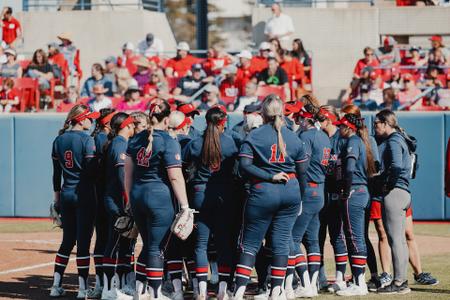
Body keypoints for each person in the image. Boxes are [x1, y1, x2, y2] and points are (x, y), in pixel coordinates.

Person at [233, 95, 308, 300]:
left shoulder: (255, 135)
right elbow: (303, 172)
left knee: (250, 244)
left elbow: (244, 166)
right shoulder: (294, 136)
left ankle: (239, 292)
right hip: (290, 191)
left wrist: (269, 175)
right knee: (282, 242)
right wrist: (300, 197)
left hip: (264, 191)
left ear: (262, 113)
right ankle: (277, 290)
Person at [125, 100, 191, 300]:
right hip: (158, 198)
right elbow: (175, 176)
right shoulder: (169, 141)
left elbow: (127, 172)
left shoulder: (136, 139)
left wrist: (129, 199)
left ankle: (139, 290)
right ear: (168, 117)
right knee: (156, 247)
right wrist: (185, 206)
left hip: (137, 195)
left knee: (148, 244)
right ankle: (155, 293)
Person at [182, 107, 238, 300]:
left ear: (205, 122)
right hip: (224, 195)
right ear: (223, 123)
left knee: (200, 244)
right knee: (224, 243)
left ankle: (202, 290)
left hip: (200, 193)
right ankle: (223, 288)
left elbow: (181, 165)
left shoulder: (196, 142)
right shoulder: (231, 142)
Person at [50, 104, 99, 298]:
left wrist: (56, 200)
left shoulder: (59, 140)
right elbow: (91, 171)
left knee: (67, 242)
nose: (92, 121)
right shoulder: (87, 140)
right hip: (84, 194)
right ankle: (82, 289)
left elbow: (56, 174)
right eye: (89, 118)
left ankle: (55, 285)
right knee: (83, 245)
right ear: (81, 119)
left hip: (66, 194)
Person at [286, 103, 331, 298]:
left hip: (308, 190)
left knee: (292, 239)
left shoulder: (306, 136)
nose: (298, 122)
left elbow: (301, 166)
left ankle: (304, 282)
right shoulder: (324, 136)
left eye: (300, 118)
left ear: (306, 118)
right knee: (312, 240)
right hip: (319, 190)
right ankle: (312, 283)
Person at [333, 113, 376, 296]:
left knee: (354, 237)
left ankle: (359, 283)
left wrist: (345, 189)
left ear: (349, 127)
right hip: (361, 191)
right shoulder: (359, 141)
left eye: (341, 125)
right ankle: (359, 281)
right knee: (356, 236)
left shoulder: (353, 141)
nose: (339, 128)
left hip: (355, 191)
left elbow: (349, 169)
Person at [373, 109, 412, 294]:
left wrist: (387, 184)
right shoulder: (401, 138)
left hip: (395, 193)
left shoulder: (394, 140)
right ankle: (402, 281)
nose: (375, 127)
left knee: (395, 240)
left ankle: (398, 282)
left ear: (386, 123)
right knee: (400, 241)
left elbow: (396, 165)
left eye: (377, 123)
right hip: (403, 192)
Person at [101, 112, 136, 300]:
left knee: (124, 245)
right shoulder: (119, 143)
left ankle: (121, 286)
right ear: (127, 126)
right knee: (113, 243)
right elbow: (122, 175)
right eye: (132, 125)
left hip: (117, 199)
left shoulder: (119, 142)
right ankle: (108, 289)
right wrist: (128, 200)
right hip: (116, 201)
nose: (134, 128)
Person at [315, 106, 349, 293]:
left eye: (321, 120)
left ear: (326, 120)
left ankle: (339, 278)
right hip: (321, 193)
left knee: (337, 236)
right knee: (317, 237)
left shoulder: (342, 139)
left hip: (335, 194)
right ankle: (319, 278)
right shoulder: (319, 138)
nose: (318, 124)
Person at [88, 108, 116, 299]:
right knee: (110, 240)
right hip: (106, 193)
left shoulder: (97, 137)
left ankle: (101, 284)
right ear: (107, 123)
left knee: (102, 238)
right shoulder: (103, 139)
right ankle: (105, 284)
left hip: (99, 193)